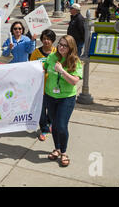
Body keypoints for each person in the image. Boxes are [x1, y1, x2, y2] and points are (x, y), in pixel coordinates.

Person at [44, 35, 82, 167]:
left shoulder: (75, 61)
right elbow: (43, 68)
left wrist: (61, 71)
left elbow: (74, 81)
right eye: (60, 44)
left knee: (61, 125)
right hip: (50, 96)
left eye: (64, 45)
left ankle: (64, 152)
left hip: (66, 98)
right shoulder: (52, 57)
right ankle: (57, 149)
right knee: (54, 124)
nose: (60, 47)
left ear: (70, 47)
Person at [30, 29, 57, 141]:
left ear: (53, 40)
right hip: (39, 88)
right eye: (44, 39)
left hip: (53, 87)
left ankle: (51, 124)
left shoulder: (57, 52)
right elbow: (31, 67)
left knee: (52, 109)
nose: (46, 41)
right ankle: (44, 129)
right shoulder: (36, 52)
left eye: (49, 39)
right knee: (41, 111)